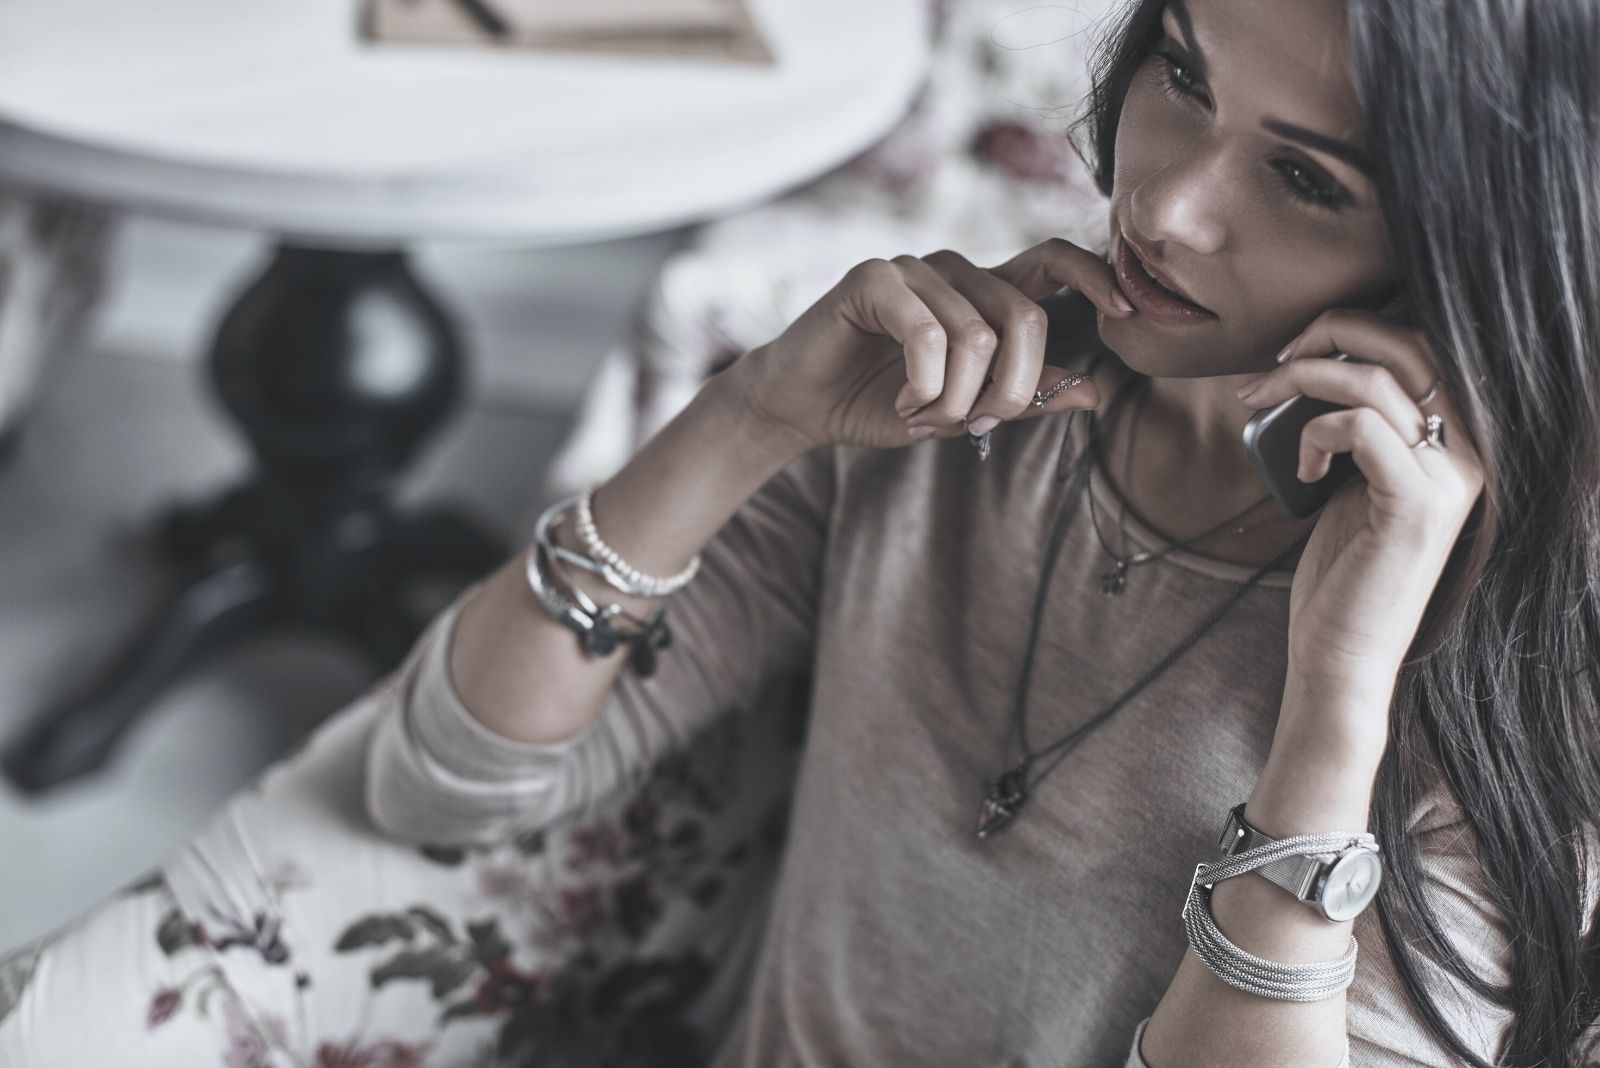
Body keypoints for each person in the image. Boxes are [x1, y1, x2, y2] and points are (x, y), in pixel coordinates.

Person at [3, 0, 1598, 1064]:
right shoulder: (952, 410)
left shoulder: (1492, 643)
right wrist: (754, 410)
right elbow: (442, 779)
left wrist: (1337, 700)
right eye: (1182, 73)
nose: (1167, 203)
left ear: (1466, 247)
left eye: (1304, 179)